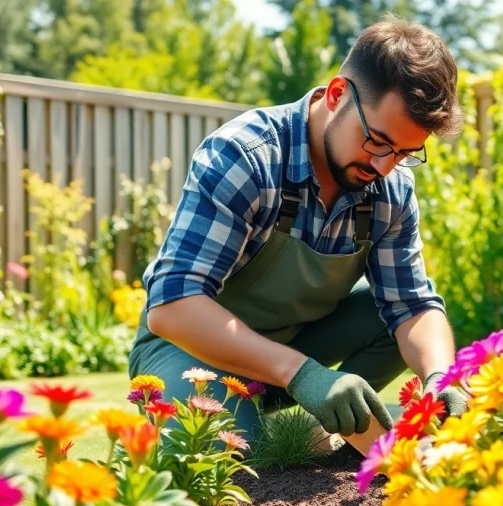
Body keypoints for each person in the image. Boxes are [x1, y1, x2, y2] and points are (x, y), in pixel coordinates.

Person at [128, 15, 469, 451]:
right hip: (189, 351)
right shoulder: (246, 155)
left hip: (294, 346)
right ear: (336, 94)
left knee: (390, 321)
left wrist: (440, 376)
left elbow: (413, 304)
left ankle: (323, 429)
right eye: (377, 141)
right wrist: (303, 373)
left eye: (405, 152)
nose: (384, 166)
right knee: (230, 454)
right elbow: (172, 306)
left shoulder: (390, 186)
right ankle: (295, 434)